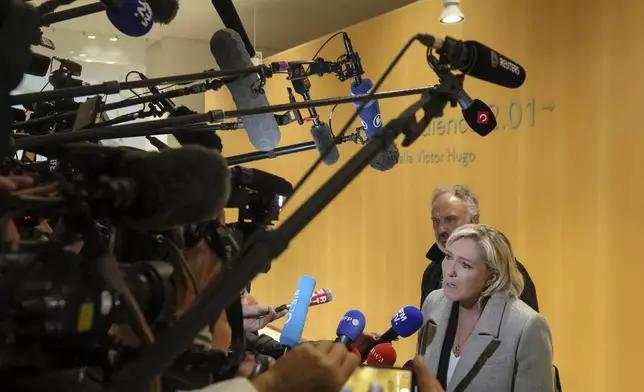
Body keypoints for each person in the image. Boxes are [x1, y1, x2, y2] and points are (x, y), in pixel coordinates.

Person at [418, 224, 553, 392]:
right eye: (448, 257)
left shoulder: (527, 326)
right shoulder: (433, 303)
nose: (450, 271)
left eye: (465, 265)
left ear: (492, 277)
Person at [421, 185, 539, 312]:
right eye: (436, 221)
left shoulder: (505, 270)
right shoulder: (432, 272)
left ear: (474, 219)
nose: (441, 229)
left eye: (450, 219)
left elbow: (524, 326)